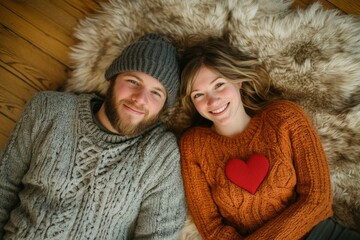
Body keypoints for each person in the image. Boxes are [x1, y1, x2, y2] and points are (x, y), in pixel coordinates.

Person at [0, 33, 187, 239]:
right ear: (112, 80)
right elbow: (4, 186)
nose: (140, 99)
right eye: (133, 81)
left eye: (156, 93)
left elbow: (159, 234)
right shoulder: (48, 109)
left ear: (163, 108)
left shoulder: (160, 154)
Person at [178, 37, 360, 240]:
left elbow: (317, 200)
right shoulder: (194, 146)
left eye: (219, 84)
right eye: (198, 95)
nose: (212, 100)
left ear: (238, 80)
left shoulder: (285, 118)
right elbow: (211, 228)